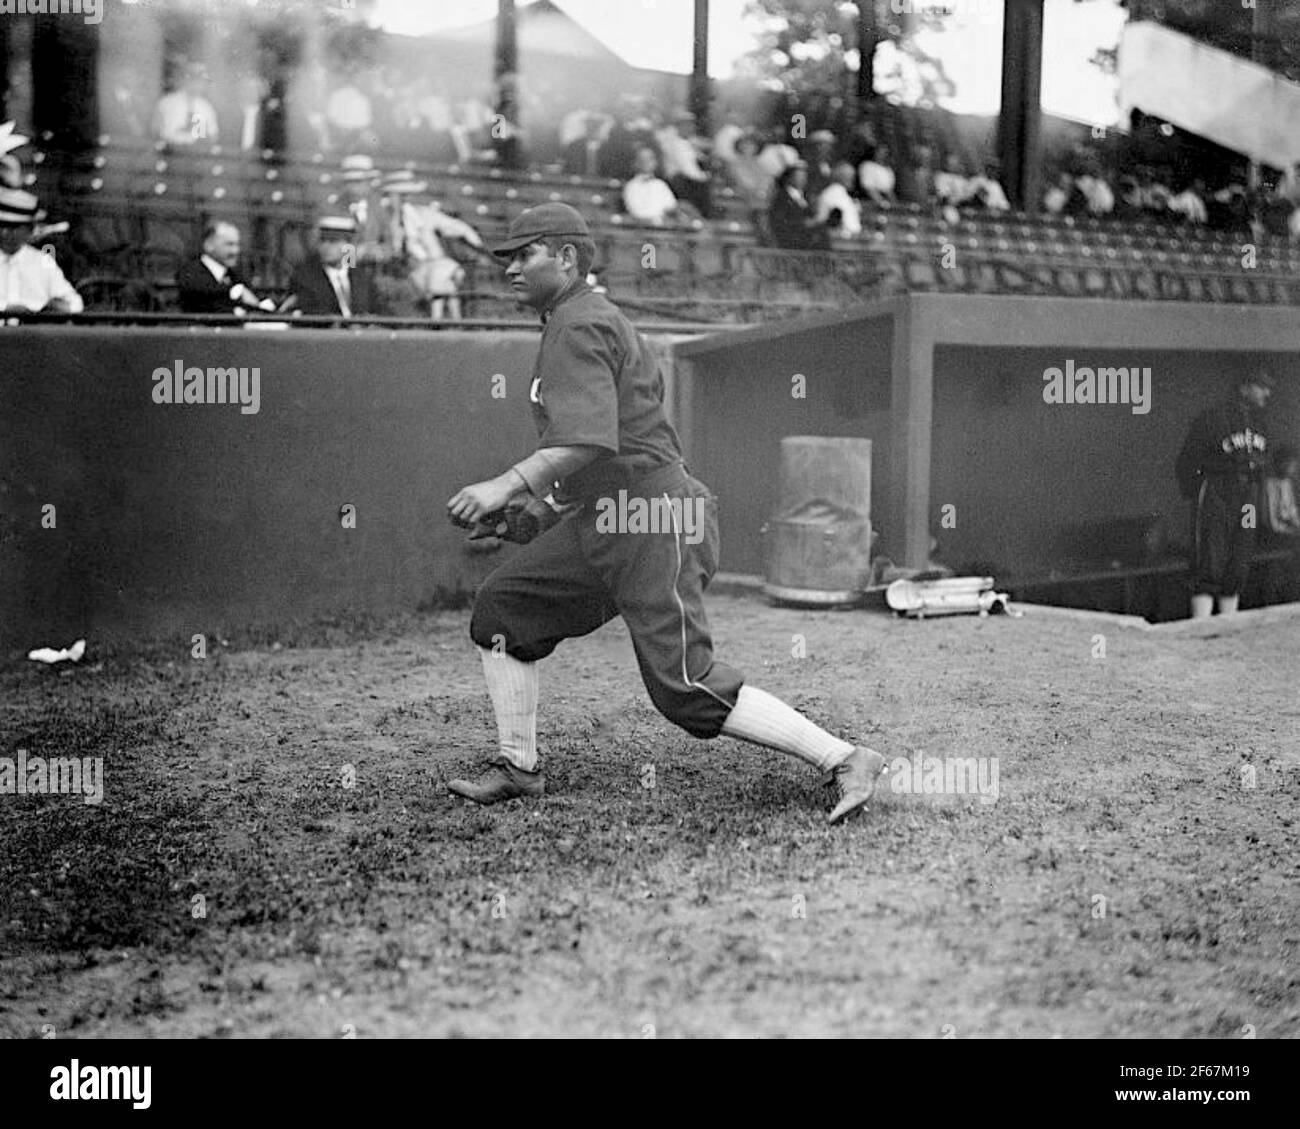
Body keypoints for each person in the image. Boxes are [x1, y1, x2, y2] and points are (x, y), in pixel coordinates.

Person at [443, 203, 888, 824]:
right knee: (505, 610)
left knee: (684, 686)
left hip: (654, 519)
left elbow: (588, 441)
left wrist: (508, 483)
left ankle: (844, 757)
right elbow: (605, 453)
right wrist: (532, 514)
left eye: (525, 254)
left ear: (566, 257)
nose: (511, 269)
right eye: (508, 258)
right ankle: (519, 768)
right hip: (614, 516)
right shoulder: (569, 321)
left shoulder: (579, 323)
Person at [1175, 368, 1277, 618]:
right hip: (1218, 493)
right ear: (1244, 388)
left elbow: (1265, 462)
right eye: (1260, 386)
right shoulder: (1213, 418)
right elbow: (1187, 461)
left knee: (1240, 557)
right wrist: (1200, 491)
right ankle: (1202, 628)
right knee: (1211, 558)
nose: (1267, 393)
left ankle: (1228, 627)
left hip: (1248, 498)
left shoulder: (1260, 423)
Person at [0, 188, 83, 314]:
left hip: (33, 331)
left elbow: (74, 303)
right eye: (2, 225)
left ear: (30, 229)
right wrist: (5, 308)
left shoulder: (43, 261)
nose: (4, 232)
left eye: (13, 227)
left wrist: (58, 307)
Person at [286, 216, 382, 318]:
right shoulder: (305, 278)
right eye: (322, 241)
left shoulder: (362, 278)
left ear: (348, 245)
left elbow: (378, 310)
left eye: (333, 241)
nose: (326, 247)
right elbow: (310, 313)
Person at [176, 221, 275, 315]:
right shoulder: (191, 273)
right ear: (209, 245)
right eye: (229, 244)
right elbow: (209, 301)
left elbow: (253, 298)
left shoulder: (234, 275)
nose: (236, 251)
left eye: (237, 244)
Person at [151, 62, 219, 147]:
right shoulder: (167, 103)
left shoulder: (206, 108)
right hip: (170, 152)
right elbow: (155, 131)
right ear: (184, 79)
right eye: (192, 77)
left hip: (196, 154)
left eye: (200, 79)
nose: (196, 83)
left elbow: (213, 136)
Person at [768, 162, 830, 251]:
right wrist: (805, 223)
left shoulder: (807, 197)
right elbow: (780, 221)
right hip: (792, 241)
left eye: (804, 176)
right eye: (799, 176)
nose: (802, 179)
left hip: (810, 240)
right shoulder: (781, 198)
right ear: (790, 177)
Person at [622, 146, 678, 226]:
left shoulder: (661, 185)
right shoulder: (631, 187)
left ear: (655, 162)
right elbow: (637, 212)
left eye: (650, 159)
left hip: (665, 227)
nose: (646, 162)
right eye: (642, 159)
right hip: (643, 229)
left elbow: (672, 207)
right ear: (635, 163)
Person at [814, 161, 862, 238]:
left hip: (852, 238)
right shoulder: (832, 193)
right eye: (849, 176)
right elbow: (825, 219)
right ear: (841, 177)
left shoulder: (844, 193)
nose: (852, 180)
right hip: (841, 240)